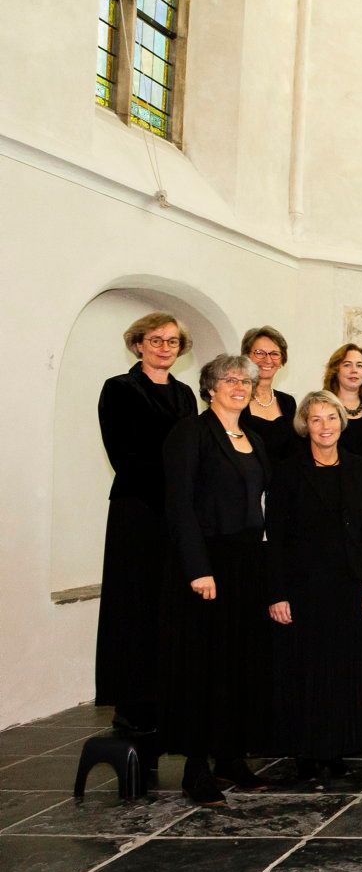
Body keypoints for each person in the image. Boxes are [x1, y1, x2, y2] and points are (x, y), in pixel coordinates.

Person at [161, 354, 273, 804]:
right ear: (210, 388)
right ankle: (195, 768)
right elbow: (178, 505)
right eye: (230, 380)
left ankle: (230, 756)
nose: (239, 386)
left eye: (245, 380)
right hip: (209, 563)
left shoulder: (254, 438)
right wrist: (198, 568)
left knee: (239, 663)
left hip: (247, 562)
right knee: (203, 666)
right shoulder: (190, 433)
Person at [265, 391, 362, 780]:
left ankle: (337, 748)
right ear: (305, 425)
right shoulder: (287, 471)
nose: (325, 426)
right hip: (303, 587)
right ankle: (307, 749)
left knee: (343, 670)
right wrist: (277, 593)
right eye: (316, 419)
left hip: (348, 584)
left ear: (341, 422)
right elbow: (275, 537)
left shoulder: (359, 467)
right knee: (306, 669)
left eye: (331, 418)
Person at [96, 312, 197, 736]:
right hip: (137, 510)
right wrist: (174, 483)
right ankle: (132, 704)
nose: (164, 348)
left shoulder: (185, 394)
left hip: (176, 513)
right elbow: (124, 453)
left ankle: (164, 698)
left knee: (168, 604)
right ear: (138, 344)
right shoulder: (119, 388)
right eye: (156, 340)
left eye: (172, 341)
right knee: (133, 605)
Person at [238, 326, 298, 462]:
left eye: (274, 354)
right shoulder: (237, 399)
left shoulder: (288, 402)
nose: (268, 360)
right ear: (246, 357)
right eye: (259, 353)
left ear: (282, 360)